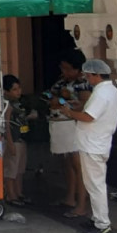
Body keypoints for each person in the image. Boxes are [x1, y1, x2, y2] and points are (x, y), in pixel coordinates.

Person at [59, 58, 117, 233]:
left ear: (96, 75)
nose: (86, 78)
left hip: (93, 145)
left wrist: (70, 113)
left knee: (96, 186)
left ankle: (103, 225)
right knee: (93, 184)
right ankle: (96, 219)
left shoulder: (102, 93)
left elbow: (88, 117)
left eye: (88, 75)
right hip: (98, 142)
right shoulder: (111, 90)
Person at [48, 49, 90, 218]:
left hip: (75, 126)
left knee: (77, 165)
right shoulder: (61, 81)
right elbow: (49, 95)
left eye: (68, 69)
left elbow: (85, 105)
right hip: (60, 126)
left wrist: (62, 102)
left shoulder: (83, 83)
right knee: (66, 163)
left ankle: (81, 204)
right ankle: (70, 198)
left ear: (78, 69)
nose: (64, 72)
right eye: (63, 68)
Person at [2, 74, 34, 205]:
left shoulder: (19, 104)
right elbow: (6, 125)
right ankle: (11, 195)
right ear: (6, 91)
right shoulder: (8, 106)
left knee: (20, 169)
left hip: (22, 139)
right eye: (14, 89)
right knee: (11, 169)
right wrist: (9, 143)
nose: (18, 92)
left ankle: (19, 192)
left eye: (19, 88)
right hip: (13, 140)